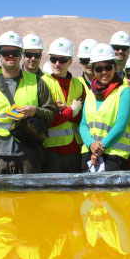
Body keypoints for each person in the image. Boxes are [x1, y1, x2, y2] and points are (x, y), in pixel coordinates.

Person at [0, 31, 54, 175]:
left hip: (30, 156)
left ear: (21, 54)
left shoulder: (37, 82)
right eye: (6, 52)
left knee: (30, 197)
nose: (11, 56)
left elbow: (50, 114)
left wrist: (35, 111)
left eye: (15, 52)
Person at [79, 43, 130, 172]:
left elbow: (121, 125)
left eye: (108, 67)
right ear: (93, 70)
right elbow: (83, 124)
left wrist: (98, 149)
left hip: (114, 157)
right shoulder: (91, 94)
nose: (104, 72)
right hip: (88, 153)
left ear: (114, 67)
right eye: (98, 69)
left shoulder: (124, 92)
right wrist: (91, 144)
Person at [41, 38, 85, 173]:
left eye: (63, 60)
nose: (57, 64)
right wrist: (72, 110)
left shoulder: (78, 84)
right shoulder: (43, 83)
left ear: (71, 61)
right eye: (53, 59)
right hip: (51, 150)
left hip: (75, 149)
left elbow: (84, 118)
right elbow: (46, 120)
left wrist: (64, 112)